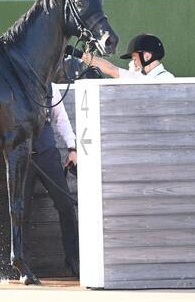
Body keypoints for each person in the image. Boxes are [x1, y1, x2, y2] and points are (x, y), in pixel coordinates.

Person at [24, 82, 79, 277]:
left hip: (47, 155)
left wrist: (72, 147)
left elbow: (61, 119)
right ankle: (23, 264)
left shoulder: (51, 88)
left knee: (66, 205)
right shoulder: (13, 81)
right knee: (21, 211)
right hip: (22, 156)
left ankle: (74, 259)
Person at [81, 34, 175, 79]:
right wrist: (80, 55)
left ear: (147, 57)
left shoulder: (166, 78)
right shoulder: (139, 76)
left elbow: (112, 70)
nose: (133, 63)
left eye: (134, 59)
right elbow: (111, 69)